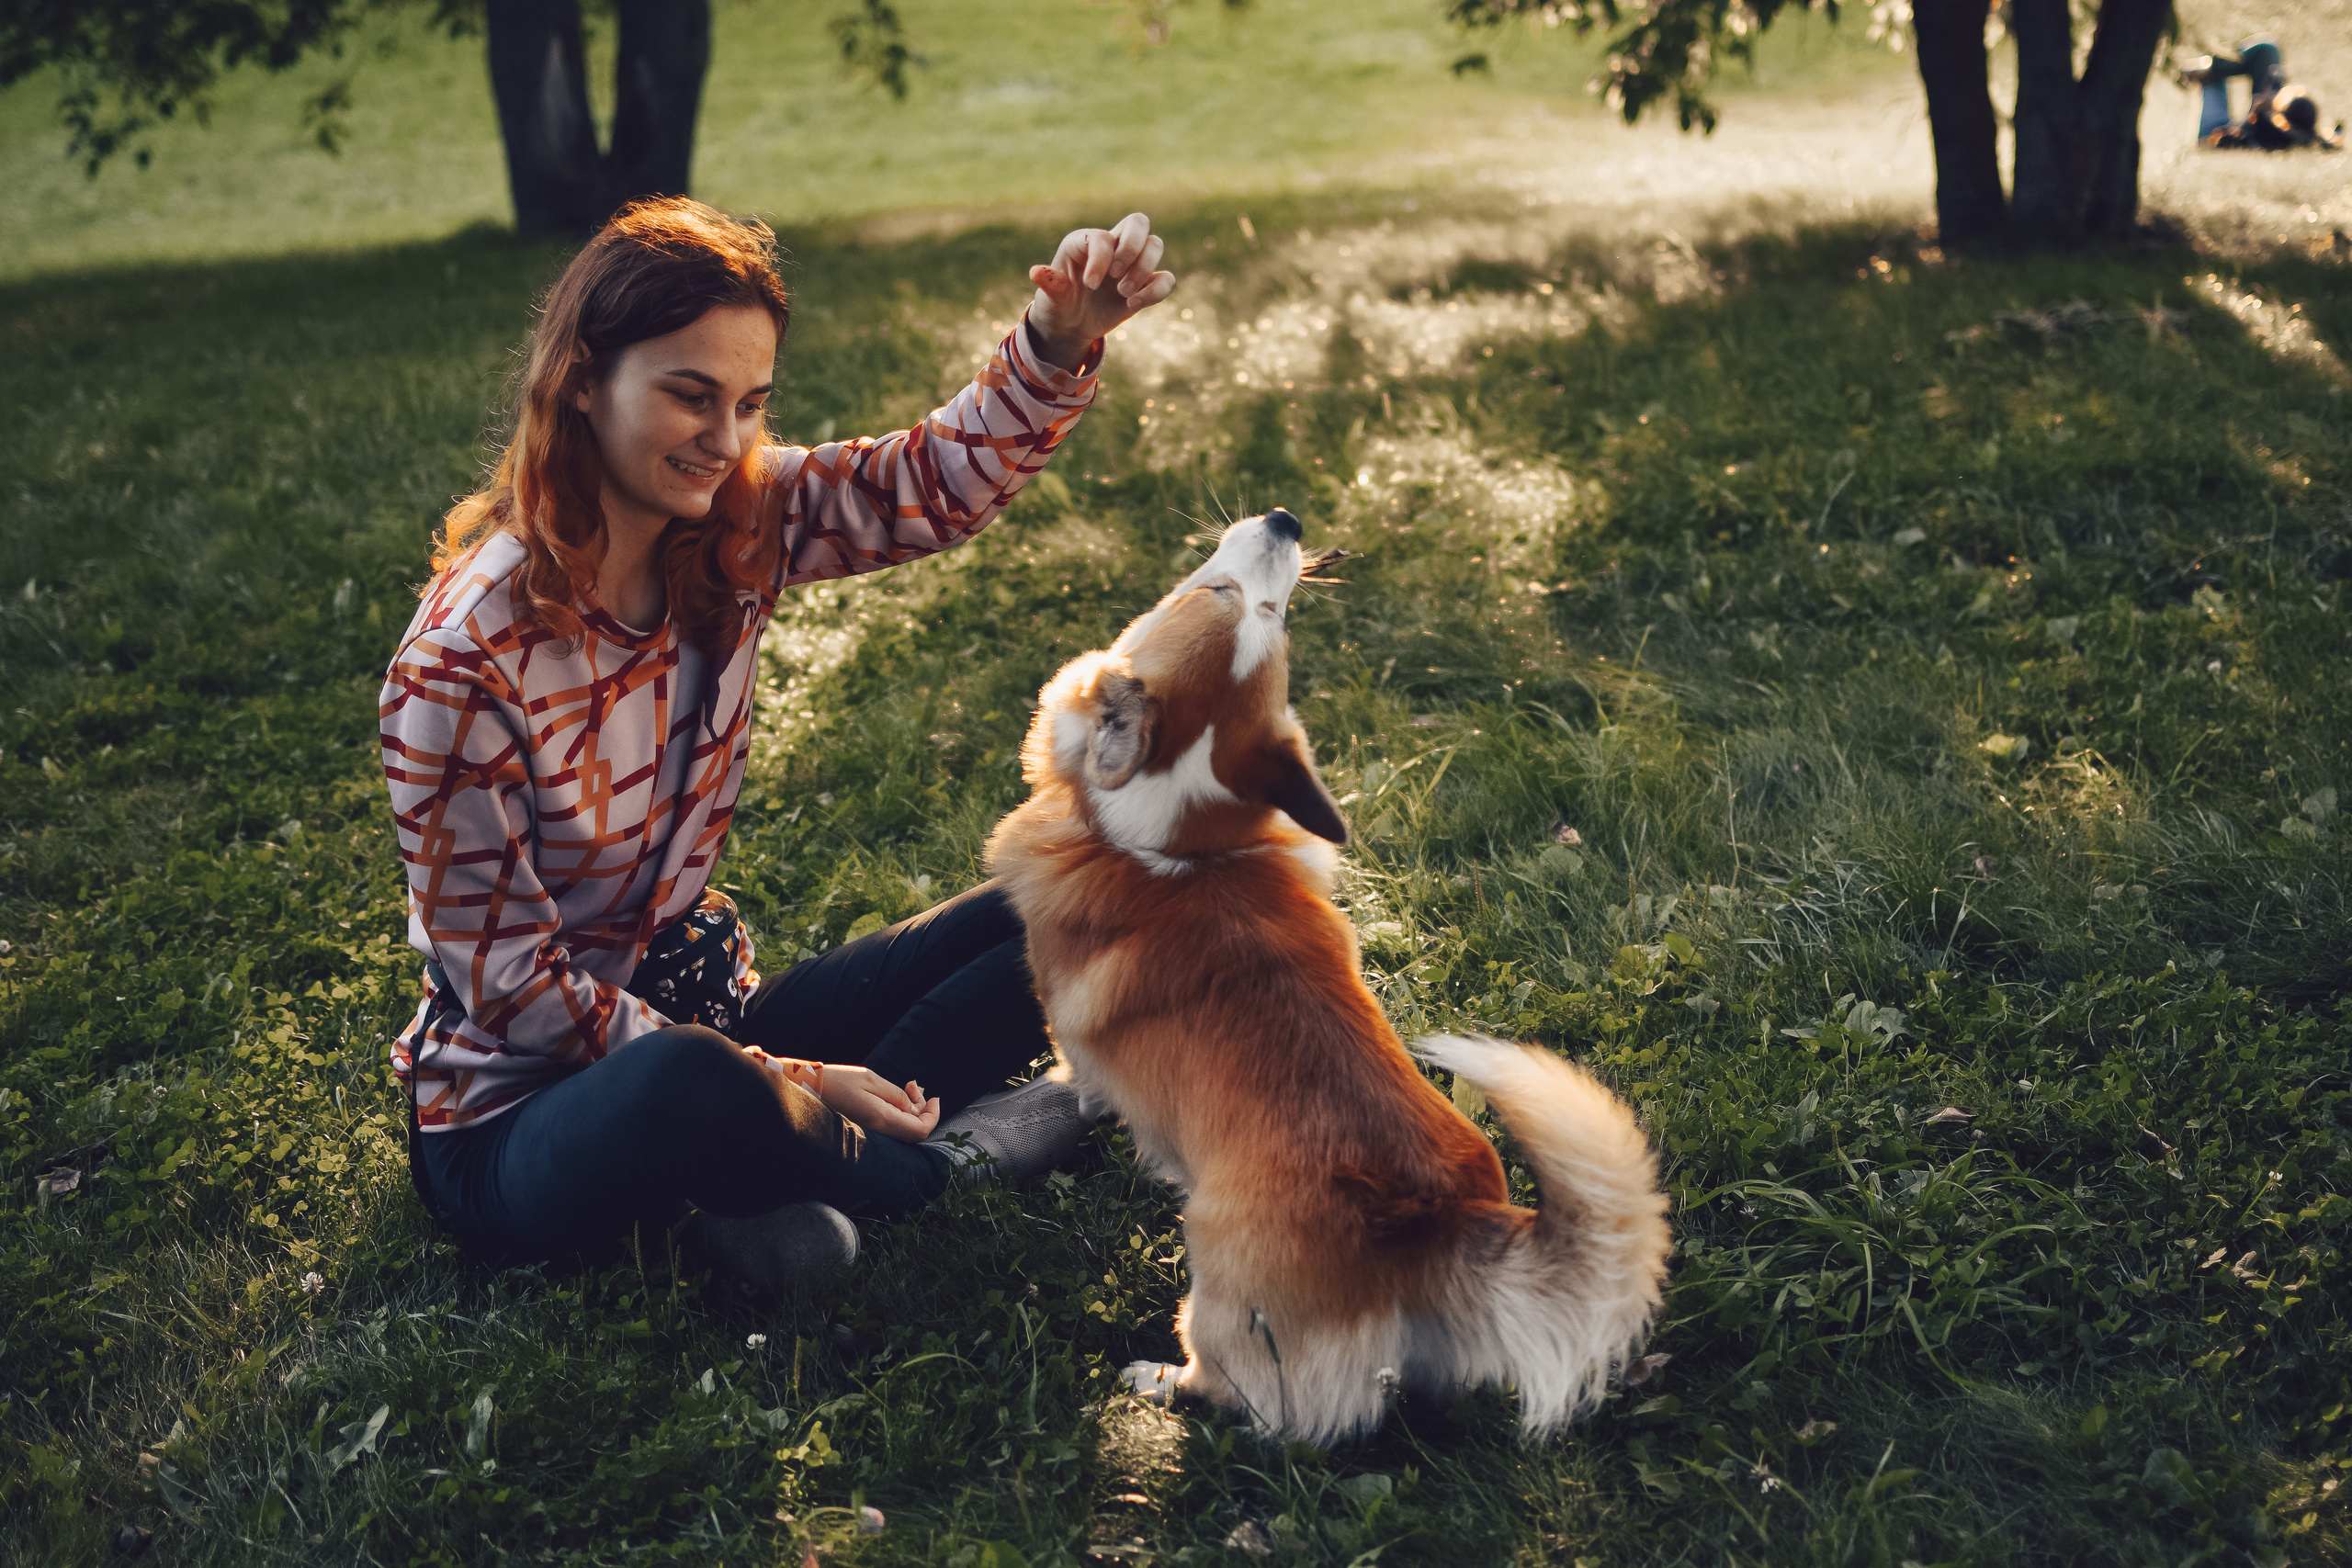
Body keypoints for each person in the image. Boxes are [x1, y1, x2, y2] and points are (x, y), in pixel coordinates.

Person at [379, 197, 1175, 1291]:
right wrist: (789, 1074)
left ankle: (760, 1178)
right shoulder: (463, 665)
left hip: (705, 1014)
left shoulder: (740, 519)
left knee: (1091, 889)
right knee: (692, 1085)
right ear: (581, 382)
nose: (724, 440)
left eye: (750, 403)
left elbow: (926, 485)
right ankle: (938, 1164)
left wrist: (1057, 341)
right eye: (688, 396)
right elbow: (514, 991)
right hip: (521, 1116)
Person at [2185, 36, 2346, 151]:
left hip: (2214, 129)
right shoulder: (2305, 134)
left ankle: (2203, 69)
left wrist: (2258, 112)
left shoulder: (2270, 128)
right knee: (2267, 49)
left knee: (2212, 78)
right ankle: (2210, 68)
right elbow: (2326, 139)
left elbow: (2233, 136)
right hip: (2253, 122)